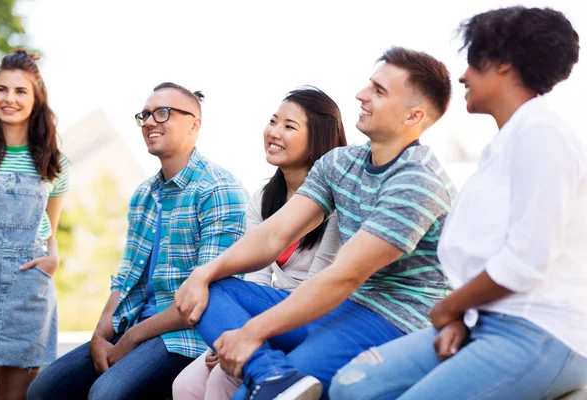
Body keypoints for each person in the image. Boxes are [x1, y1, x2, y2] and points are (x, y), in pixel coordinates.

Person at [329, 7, 587, 400]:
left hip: (540, 330)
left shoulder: (541, 135)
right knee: (352, 386)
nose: (463, 75)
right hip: (483, 321)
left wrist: (449, 309)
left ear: (501, 63)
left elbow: (527, 260)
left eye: (472, 62)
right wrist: (463, 318)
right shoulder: (505, 144)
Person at [175, 47, 455, 400]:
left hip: (396, 321)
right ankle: (269, 372)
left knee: (259, 394)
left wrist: (252, 332)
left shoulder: (417, 181)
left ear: (413, 115)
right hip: (343, 308)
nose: (361, 95)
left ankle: (270, 379)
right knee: (215, 288)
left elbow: (346, 275)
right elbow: (274, 234)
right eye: (369, 84)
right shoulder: (339, 163)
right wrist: (204, 272)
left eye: (378, 91)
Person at [28, 82, 249, 400]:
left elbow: (206, 299)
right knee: (45, 389)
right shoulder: (144, 194)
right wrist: (101, 331)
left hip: (187, 335)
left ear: (194, 125)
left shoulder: (219, 190)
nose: (149, 122)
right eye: (144, 115)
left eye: (163, 113)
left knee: (107, 394)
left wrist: (132, 338)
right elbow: (127, 274)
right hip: (134, 324)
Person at [172, 86, 346, 400]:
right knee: (184, 385)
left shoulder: (335, 204)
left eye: (289, 126)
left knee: (222, 382)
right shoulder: (263, 199)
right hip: (268, 310)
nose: (274, 132)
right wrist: (231, 333)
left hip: (314, 317)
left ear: (316, 141)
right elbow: (256, 279)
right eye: (273, 121)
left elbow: (317, 287)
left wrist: (246, 334)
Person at [0, 49, 70, 400]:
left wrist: (53, 258)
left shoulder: (54, 163)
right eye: (2, 89)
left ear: (36, 101)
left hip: (28, 288)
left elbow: (49, 228)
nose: (9, 99)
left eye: (21, 91)